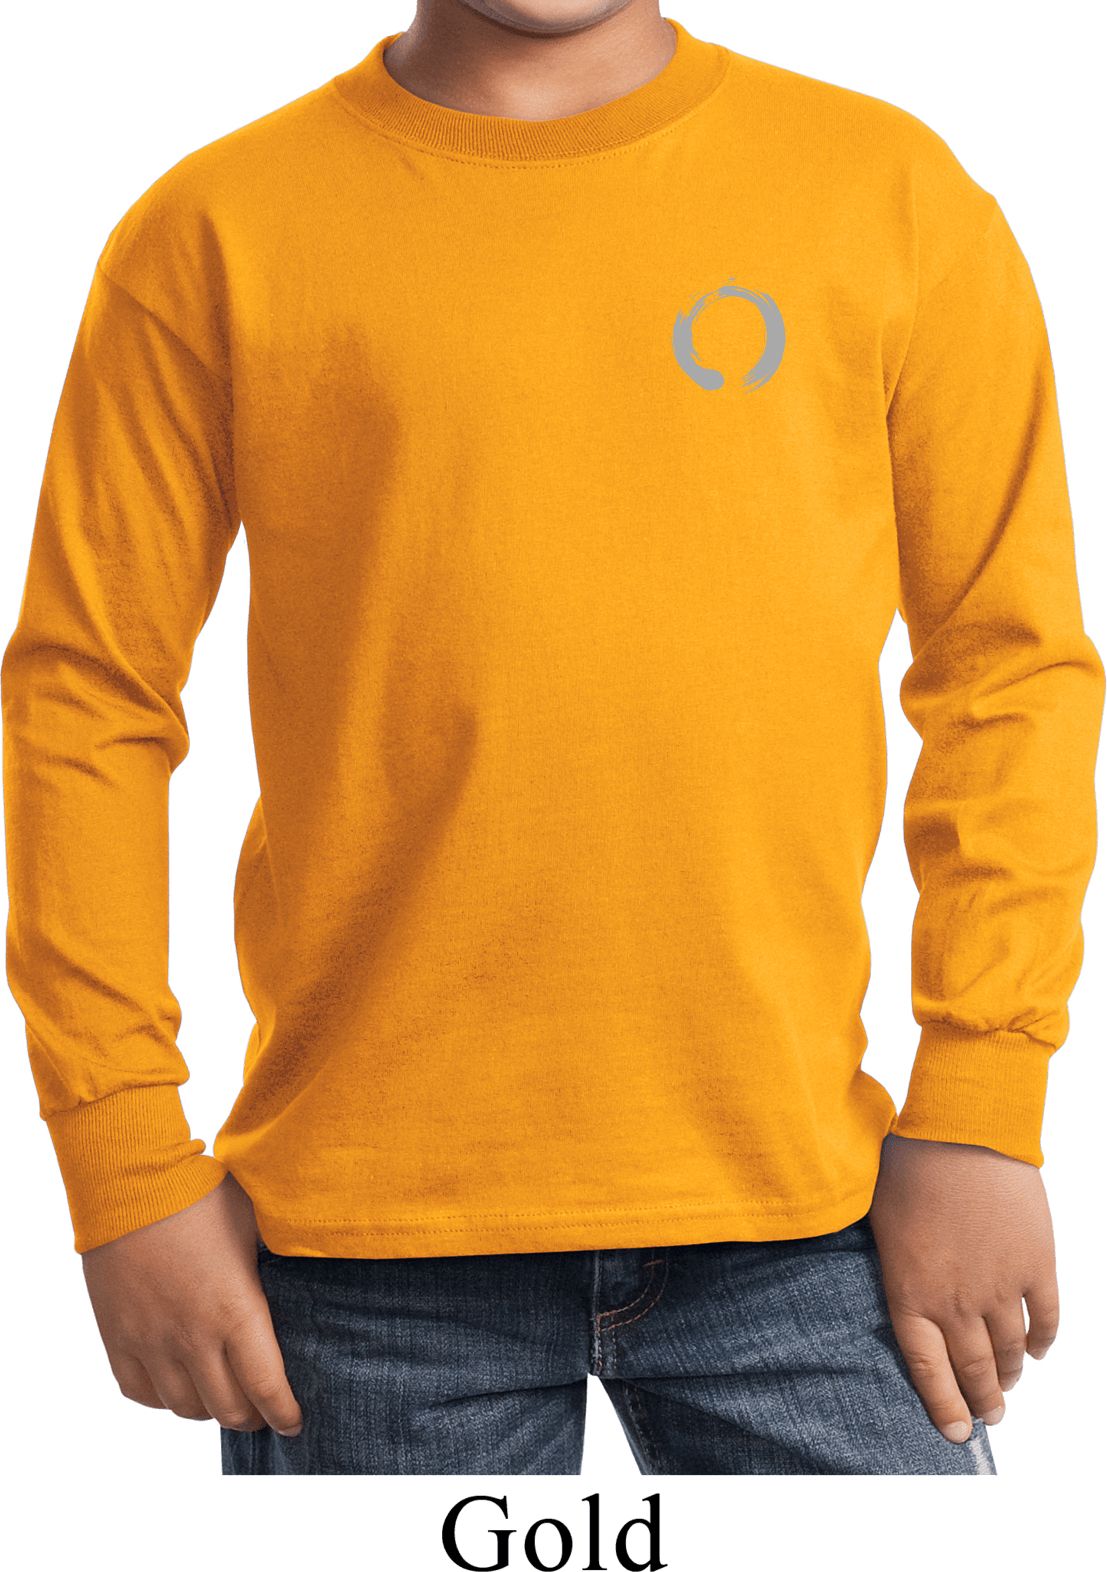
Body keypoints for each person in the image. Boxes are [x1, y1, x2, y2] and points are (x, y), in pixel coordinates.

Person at [2, 0, 1102, 1477]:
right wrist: (123, 1163)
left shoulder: (890, 193)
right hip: (364, 1244)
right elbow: (87, 698)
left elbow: (1007, 669)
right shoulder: (214, 231)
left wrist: (982, 1107)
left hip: (814, 1214)